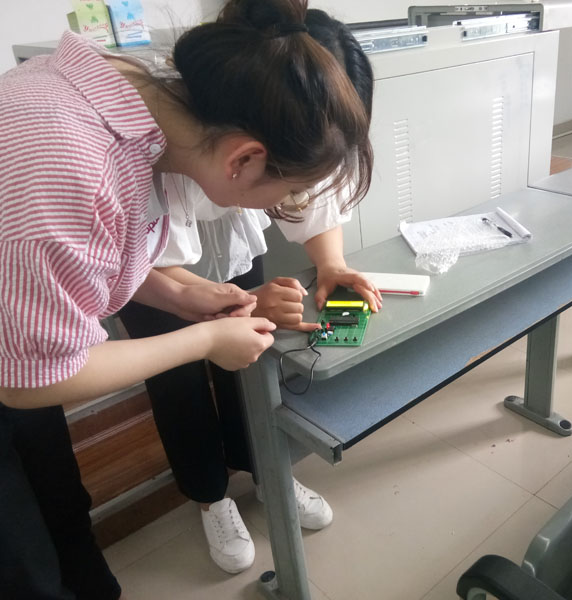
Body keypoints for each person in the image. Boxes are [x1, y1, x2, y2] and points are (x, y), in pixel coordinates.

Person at [0, 0, 372, 598]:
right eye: (290, 192)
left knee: (60, 510)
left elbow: (96, 253)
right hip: (14, 368)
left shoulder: (137, 98)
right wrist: (202, 340)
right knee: (24, 562)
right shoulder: (73, 164)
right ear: (245, 159)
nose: (291, 208)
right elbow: (31, 381)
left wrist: (180, 293)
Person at [116, 8, 379, 575]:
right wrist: (237, 304)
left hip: (209, 244)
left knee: (250, 357)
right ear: (248, 154)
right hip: (148, 271)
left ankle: (265, 468)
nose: (296, 195)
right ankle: (210, 496)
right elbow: (141, 270)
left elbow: (309, 194)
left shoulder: (264, 135)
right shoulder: (143, 150)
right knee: (178, 379)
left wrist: (330, 263)